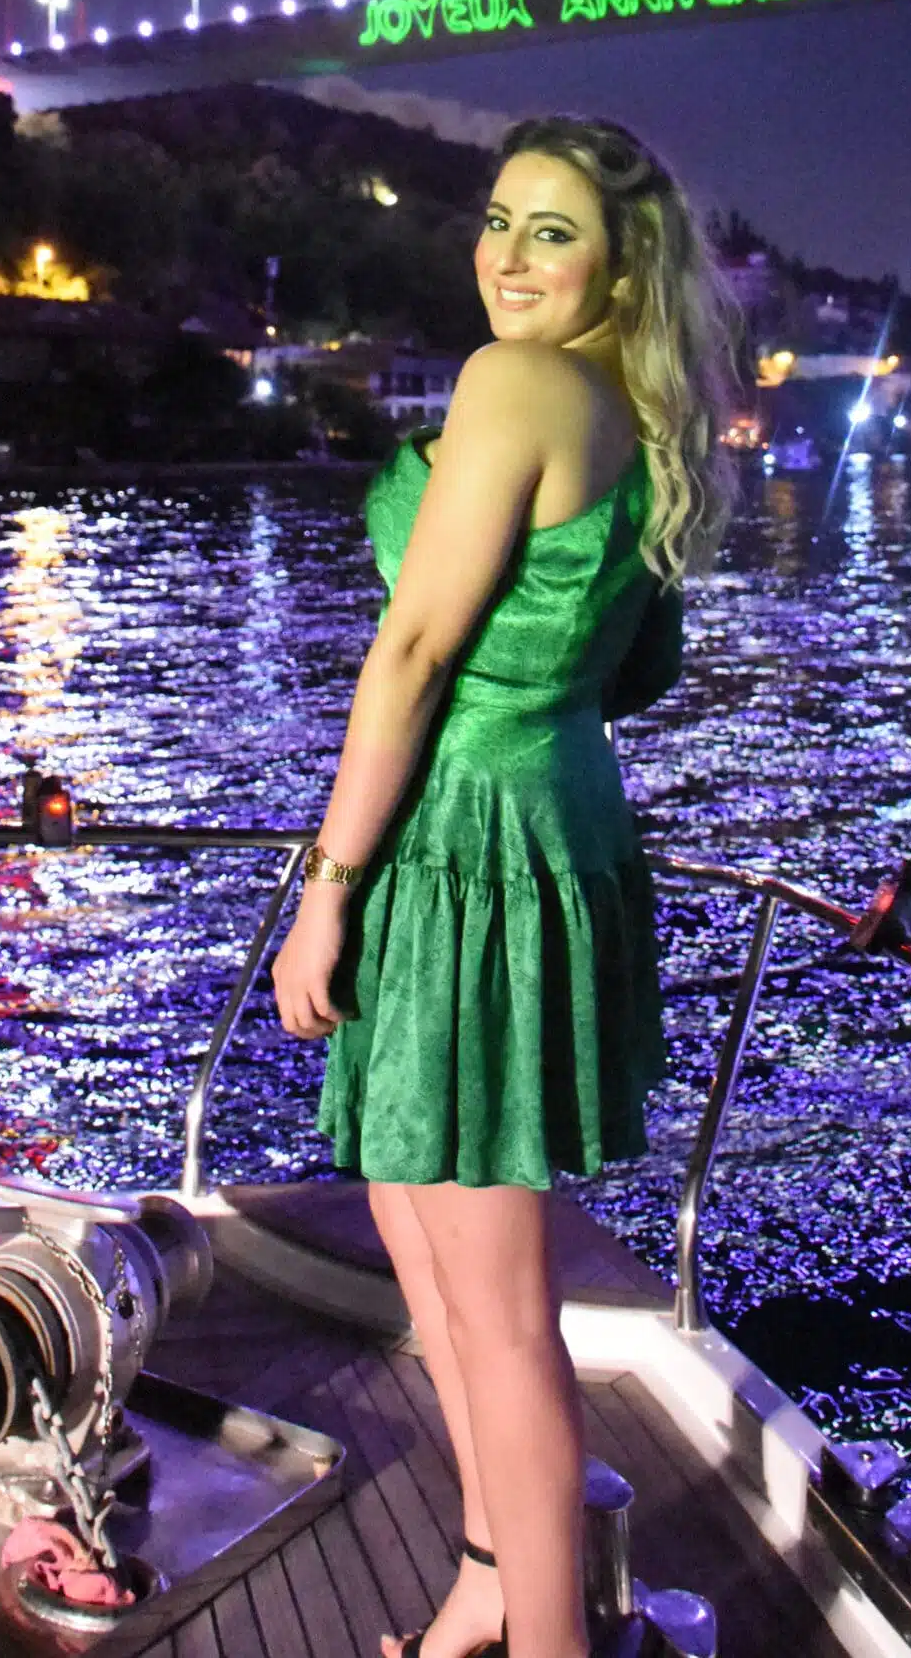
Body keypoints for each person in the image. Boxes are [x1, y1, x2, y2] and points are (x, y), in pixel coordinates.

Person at [271, 114, 738, 1658]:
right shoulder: (640, 416)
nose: (508, 256)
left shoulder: (515, 384)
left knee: (492, 1304)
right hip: (550, 829)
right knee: (413, 1208)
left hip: (464, 844)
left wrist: (328, 884)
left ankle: (545, 1635)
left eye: (552, 231)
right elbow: (635, 672)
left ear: (620, 266)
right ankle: (487, 1570)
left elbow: (411, 648)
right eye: (496, 220)